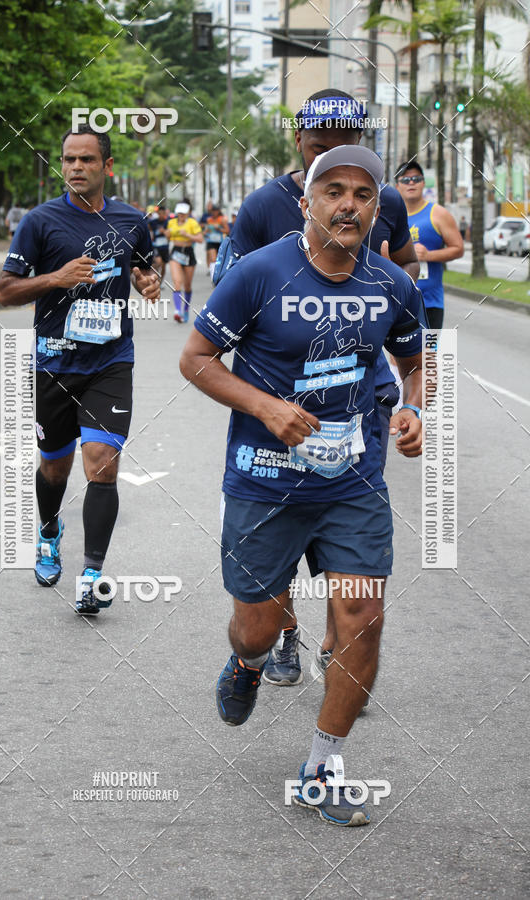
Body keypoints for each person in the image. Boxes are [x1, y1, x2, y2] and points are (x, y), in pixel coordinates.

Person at [180, 146, 424, 826]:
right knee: (257, 627)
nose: (348, 205)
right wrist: (265, 406)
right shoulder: (260, 275)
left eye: (363, 195)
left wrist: (413, 408)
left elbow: (414, 361)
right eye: (334, 191)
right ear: (307, 201)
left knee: (362, 619)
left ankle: (323, 765)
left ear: (378, 209)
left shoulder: (391, 286)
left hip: (354, 483)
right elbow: (196, 360)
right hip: (265, 483)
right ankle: (249, 664)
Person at [229, 89, 421, 689]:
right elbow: (231, 301)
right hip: (278, 412)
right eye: (318, 149)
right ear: (300, 147)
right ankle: (279, 635)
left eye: (347, 145)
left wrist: (385, 280)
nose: (347, 201)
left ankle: (342, 660)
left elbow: (407, 268)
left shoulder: (382, 199)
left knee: (358, 597)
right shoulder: (264, 206)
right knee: (273, 567)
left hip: (357, 415)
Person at [0, 124, 160, 615]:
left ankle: (91, 573)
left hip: (111, 360)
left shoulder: (132, 221)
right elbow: (5, 290)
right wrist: (55, 278)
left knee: (101, 462)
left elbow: (145, 270)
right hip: (54, 360)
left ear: (106, 166)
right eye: (69, 160)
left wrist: (149, 282)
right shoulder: (39, 222)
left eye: (86, 160)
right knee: (55, 463)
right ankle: (49, 532)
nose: (75, 168)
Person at [396, 160, 464, 330]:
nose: (411, 182)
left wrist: (429, 256)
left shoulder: (438, 213)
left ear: (423, 183)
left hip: (430, 301)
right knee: (398, 355)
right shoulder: (391, 216)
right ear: (397, 185)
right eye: (405, 179)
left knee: (429, 355)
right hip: (399, 300)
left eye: (416, 179)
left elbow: (458, 248)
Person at [166, 201, 203, 323]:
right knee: (177, 282)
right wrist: (167, 235)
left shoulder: (192, 223)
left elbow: (200, 239)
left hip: (188, 252)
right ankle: (177, 311)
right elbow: (168, 237)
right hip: (176, 252)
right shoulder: (171, 222)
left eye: (183, 213)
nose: (181, 215)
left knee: (187, 286)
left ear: (188, 213)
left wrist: (187, 235)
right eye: (179, 213)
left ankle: (186, 309)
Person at [204, 204, 230, 280]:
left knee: (220, 259)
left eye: (215, 211)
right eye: (212, 211)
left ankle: (220, 275)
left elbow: (227, 230)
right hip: (211, 241)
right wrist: (205, 233)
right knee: (213, 259)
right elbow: (207, 230)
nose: (214, 213)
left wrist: (219, 229)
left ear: (218, 211)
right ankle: (213, 277)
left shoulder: (222, 220)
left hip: (219, 242)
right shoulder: (209, 220)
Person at [149, 205, 171, 281]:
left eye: (163, 213)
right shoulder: (153, 222)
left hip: (165, 247)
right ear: (157, 213)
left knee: (163, 267)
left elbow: (169, 237)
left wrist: (164, 232)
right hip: (156, 246)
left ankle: (160, 282)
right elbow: (149, 228)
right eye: (160, 213)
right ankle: (155, 279)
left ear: (165, 213)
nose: (161, 215)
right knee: (159, 262)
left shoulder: (168, 222)